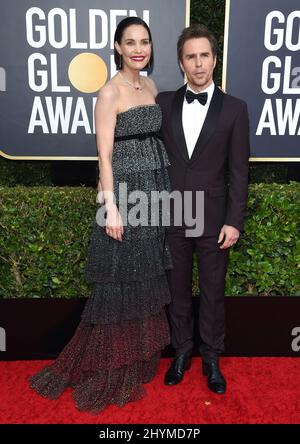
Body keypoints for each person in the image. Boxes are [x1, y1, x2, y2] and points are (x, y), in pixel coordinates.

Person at [30, 17, 172, 413]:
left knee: (144, 276)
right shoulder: (109, 93)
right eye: (130, 42)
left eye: (144, 41)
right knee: (120, 281)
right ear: (117, 47)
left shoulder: (150, 86)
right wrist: (110, 207)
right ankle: (112, 362)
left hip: (155, 192)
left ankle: (138, 356)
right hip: (126, 193)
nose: (138, 49)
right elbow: (105, 155)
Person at [156, 24, 250, 394]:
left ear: (215, 59)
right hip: (173, 215)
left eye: (204, 55)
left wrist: (234, 221)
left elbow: (239, 171)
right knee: (176, 291)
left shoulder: (235, 109)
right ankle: (181, 352)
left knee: (213, 291)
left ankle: (211, 357)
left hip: (214, 221)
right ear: (181, 62)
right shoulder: (163, 103)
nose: (198, 64)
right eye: (190, 57)